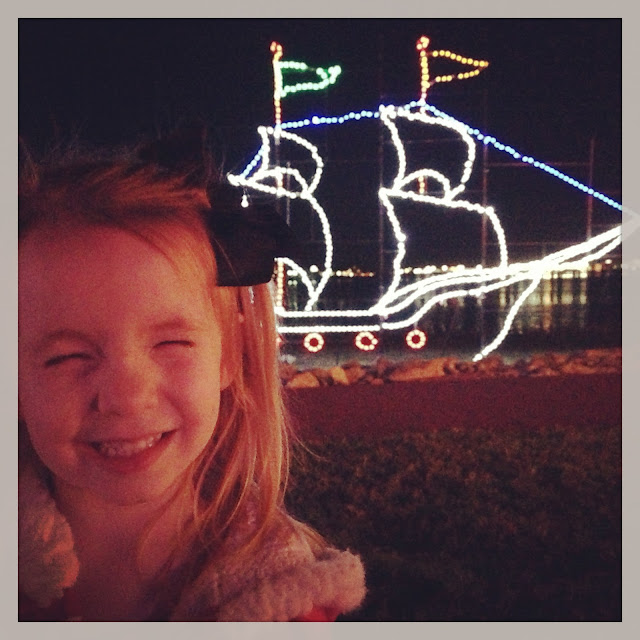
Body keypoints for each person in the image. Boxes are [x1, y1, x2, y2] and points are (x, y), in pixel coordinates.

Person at [17, 136, 366, 622]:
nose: (126, 397)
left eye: (171, 344)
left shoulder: (285, 604)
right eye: (67, 356)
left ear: (229, 356)